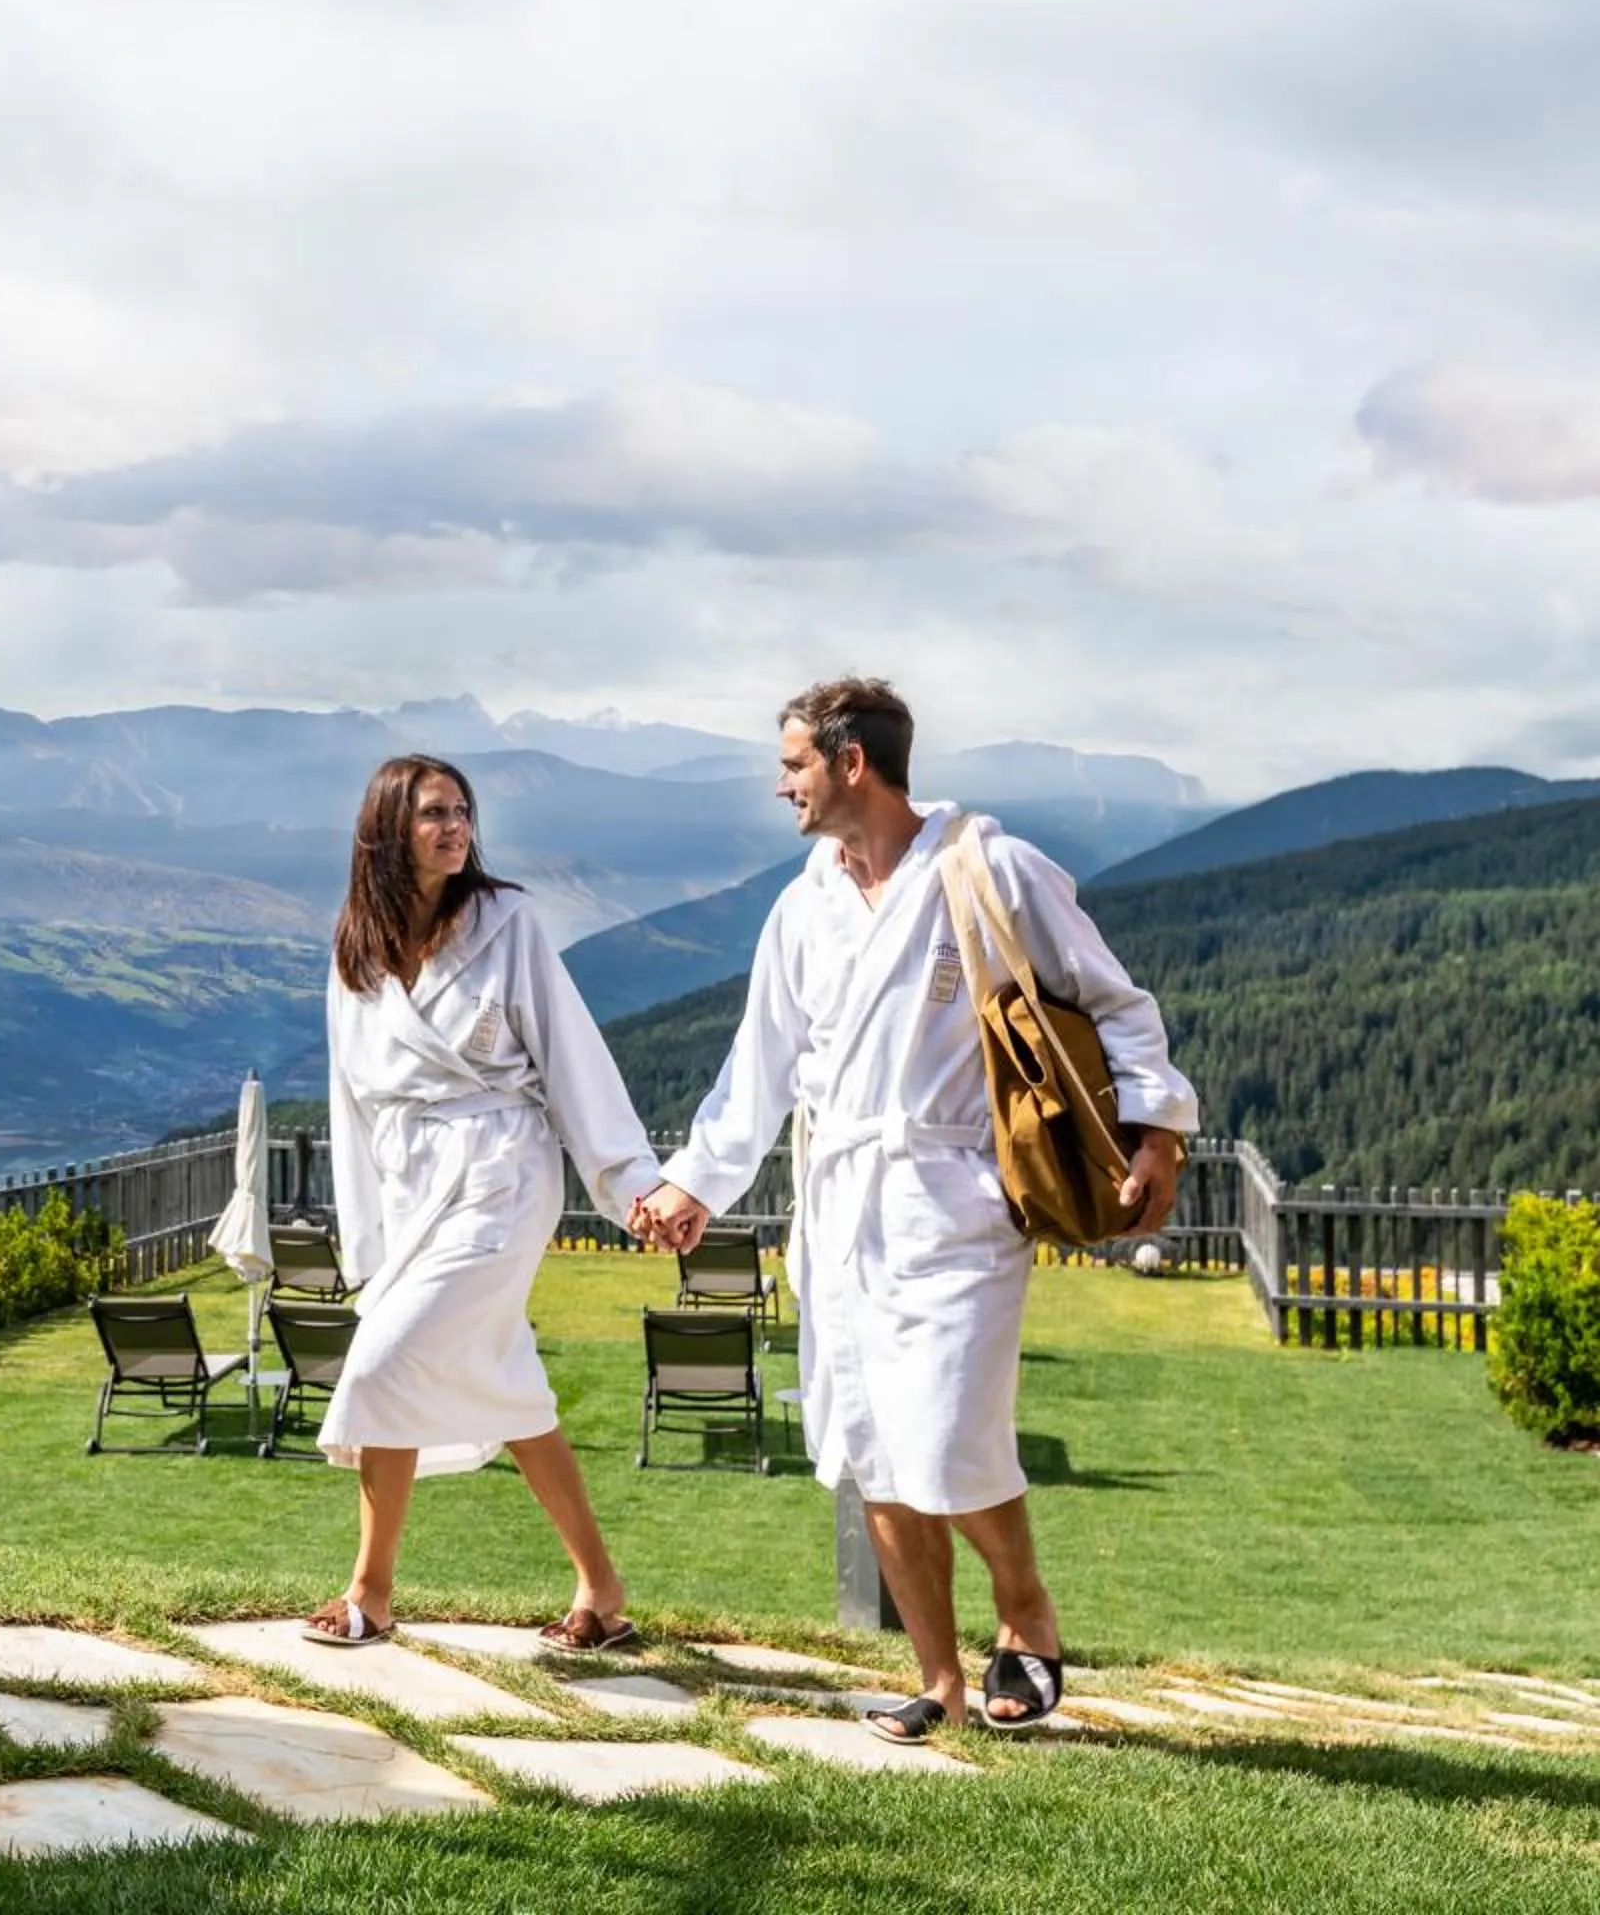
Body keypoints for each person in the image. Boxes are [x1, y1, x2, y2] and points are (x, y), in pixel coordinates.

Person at [630, 679, 1196, 1740]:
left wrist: (1158, 1129)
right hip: (838, 1202)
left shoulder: (986, 867)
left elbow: (1117, 1001)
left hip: (954, 1197)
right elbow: (758, 1069)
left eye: (795, 761)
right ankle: (937, 1673)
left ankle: (1025, 1611)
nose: (780, 782)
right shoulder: (803, 906)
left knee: (945, 1432)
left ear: (852, 765)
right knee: (863, 1444)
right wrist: (693, 1181)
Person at [310, 753, 665, 1655]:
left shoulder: (508, 922)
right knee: (511, 1389)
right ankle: (602, 1587)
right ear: (391, 829)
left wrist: (630, 1180)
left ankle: (367, 1590)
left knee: (382, 1362)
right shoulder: (357, 951)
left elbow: (572, 1053)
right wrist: (369, 1244)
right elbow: (352, 1106)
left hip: (502, 1174)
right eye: (434, 813)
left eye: (463, 811)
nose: (455, 827)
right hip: (411, 1182)